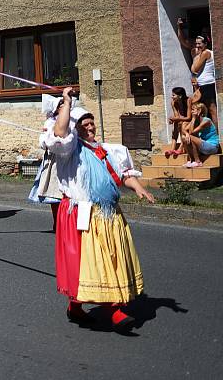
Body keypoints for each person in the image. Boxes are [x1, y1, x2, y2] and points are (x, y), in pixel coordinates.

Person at [47, 87, 154, 331]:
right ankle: (115, 311)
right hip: (82, 212)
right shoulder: (68, 151)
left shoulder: (106, 150)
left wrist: (138, 188)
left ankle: (75, 308)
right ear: (75, 128)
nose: (90, 127)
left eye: (91, 123)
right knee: (93, 263)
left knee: (108, 261)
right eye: (83, 124)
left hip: (108, 213)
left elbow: (121, 174)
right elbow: (60, 132)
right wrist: (66, 103)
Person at [28, 94, 65, 231]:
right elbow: (43, 143)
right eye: (61, 105)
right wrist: (52, 137)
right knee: (55, 192)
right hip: (55, 159)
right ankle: (58, 222)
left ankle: (70, 223)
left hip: (70, 158)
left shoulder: (73, 120)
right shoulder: (50, 123)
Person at [178, 20, 217, 129]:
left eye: (200, 44)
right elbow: (183, 41)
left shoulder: (205, 53)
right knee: (198, 108)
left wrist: (196, 56)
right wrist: (179, 27)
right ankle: (202, 132)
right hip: (200, 84)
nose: (197, 46)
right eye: (196, 44)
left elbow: (195, 69)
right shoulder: (198, 52)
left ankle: (216, 135)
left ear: (206, 43)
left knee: (211, 109)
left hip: (207, 84)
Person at [181, 102, 220, 168]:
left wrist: (193, 119)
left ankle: (198, 162)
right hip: (203, 146)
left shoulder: (206, 121)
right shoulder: (196, 121)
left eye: (193, 109)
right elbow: (184, 130)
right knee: (184, 137)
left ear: (199, 111)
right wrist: (186, 133)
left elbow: (191, 133)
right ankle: (192, 160)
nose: (191, 111)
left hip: (212, 147)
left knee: (190, 137)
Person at [165, 87, 192, 157]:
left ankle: (181, 148)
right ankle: (172, 149)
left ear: (180, 96)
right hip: (183, 119)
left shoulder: (188, 100)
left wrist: (177, 119)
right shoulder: (173, 103)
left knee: (182, 124)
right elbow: (177, 116)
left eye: (173, 95)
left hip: (191, 120)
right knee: (176, 124)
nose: (172, 97)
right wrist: (173, 119)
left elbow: (189, 117)